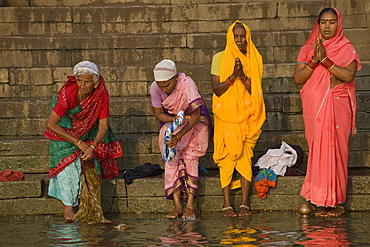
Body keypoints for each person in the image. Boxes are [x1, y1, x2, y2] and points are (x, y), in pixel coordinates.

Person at [293, 7, 361, 217]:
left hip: (337, 107)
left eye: (332, 22)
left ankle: (336, 202)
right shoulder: (307, 49)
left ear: (338, 24)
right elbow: (298, 78)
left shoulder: (346, 48)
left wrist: (326, 61)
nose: (327, 26)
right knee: (318, 152)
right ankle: (319, 200)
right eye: (323, 22)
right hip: (315, 110)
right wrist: (314, 60)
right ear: (318, 24)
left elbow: (348, 76)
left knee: (336, 153)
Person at [44, 61, 123, 222]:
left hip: (91, 130)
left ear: (95, 83)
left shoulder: (101, 93)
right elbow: (51, 124)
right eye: (80, 81)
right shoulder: (69, 92)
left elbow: (103, 125)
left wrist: (92, 146)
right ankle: (68, 206)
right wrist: (78, 143)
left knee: (91, 166)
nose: (82, 85)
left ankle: (89, 205)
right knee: (70, 167)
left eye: (87, 82)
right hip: (65, 129)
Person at [211, 21, 266, 217]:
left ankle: (244, 203)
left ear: (247, 37)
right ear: (230, 37)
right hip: (225, 115)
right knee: (225, 158)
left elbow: (255, 90)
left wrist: (242, 76)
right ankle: (226, 203)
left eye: (242, 36)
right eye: (236, 36)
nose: (239, 39)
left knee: (245, 157)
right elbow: (217, 91)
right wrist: (232, 77)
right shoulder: (219, 58)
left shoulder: (254, 58)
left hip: (247, 114)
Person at [150, 59, 211, 219]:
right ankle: (177, 205)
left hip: (194, 122)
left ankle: (190, 205)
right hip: (173, 121)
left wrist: (179, 135)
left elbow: (196, 115)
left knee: (191, 158)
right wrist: (175, 122)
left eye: (167, 85)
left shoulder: (187, 83)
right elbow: (159, 114)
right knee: (170, 159)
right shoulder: (155, 87)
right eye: (160, 85)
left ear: (175, 78)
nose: (164, 89)